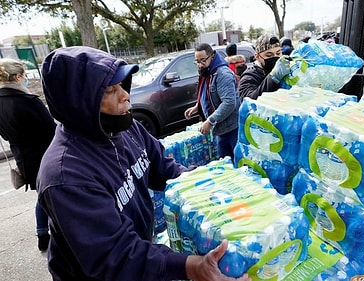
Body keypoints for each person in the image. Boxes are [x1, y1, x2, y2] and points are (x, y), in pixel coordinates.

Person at [38, 46, 250, 281]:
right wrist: (193, 266)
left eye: (122, 85)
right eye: (110, 90)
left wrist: (207, 183)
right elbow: (116, 255)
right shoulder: (66, 175)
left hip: (135, 249)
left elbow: (163, 168)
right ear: (79, 104)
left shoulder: (126, 128)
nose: (125, 96)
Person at [0, 58, 56, 252]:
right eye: (23, 75)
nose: (25, 79)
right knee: (53, 195)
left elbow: (5, 134)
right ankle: (54, 234)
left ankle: (42, 233)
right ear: (17, 77)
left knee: (42, 195)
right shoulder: (28, 101)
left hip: (24, 159)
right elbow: (51, 130)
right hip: (46, 154)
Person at [184, 43, 240, 160]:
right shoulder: (208, 72)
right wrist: (197, 107)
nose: (200, 65)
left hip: (231, 129)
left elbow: (229, 103)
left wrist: (210, 121)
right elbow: (208, 94)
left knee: (233, 163)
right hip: (221, 130)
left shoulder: (222, 74)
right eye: (197, 62)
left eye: (203, 60)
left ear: (212, 56)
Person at [238, 34, 293, 100]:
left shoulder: (284, 69)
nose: (275, 57)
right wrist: (273, 78)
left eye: (278, 53)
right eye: (269, 55)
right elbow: (249, 100)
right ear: (257, 57)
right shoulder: (249, 76)